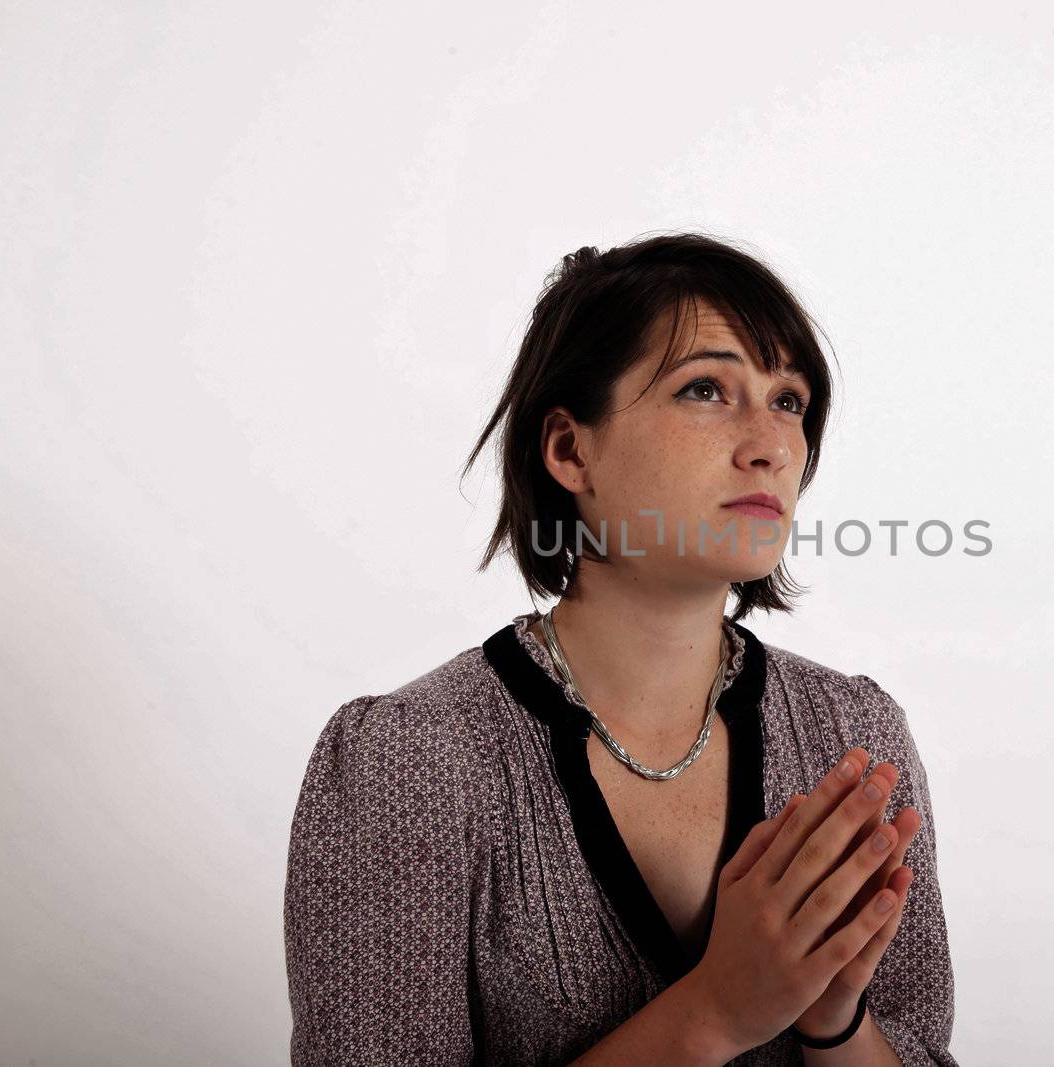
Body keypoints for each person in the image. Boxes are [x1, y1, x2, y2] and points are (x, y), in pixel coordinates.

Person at [283, 233, 958, 1065]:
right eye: (706, 388)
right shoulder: (408, 761)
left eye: (789, 400)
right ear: (571, 448)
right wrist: (716, 1009)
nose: (772, 444)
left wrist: (834, 1020)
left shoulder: (855, 738)